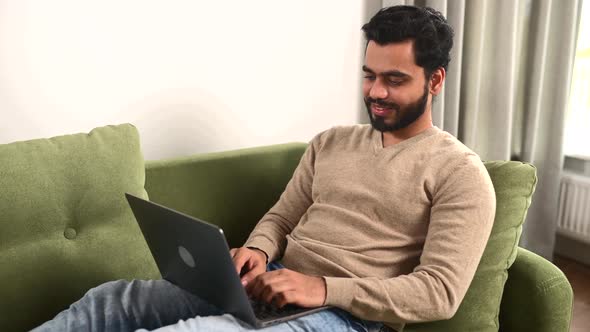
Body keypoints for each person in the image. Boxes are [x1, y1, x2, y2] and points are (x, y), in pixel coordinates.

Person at [33, 5, 495, 332]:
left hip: (346, 318)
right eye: (369, 75)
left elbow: (439, 294)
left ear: (435, 80)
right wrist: (257, 248)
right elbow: (281, 217)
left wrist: (322, 288)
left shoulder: (459, 173)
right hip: (268, 284)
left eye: (394, 80)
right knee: (114, 299)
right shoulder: (331, 142)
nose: (375, 91)